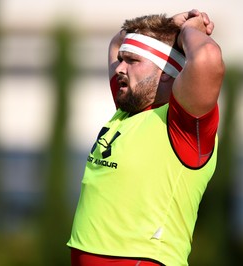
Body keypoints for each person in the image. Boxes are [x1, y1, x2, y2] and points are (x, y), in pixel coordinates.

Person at [67, 9, 225, 266]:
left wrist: (189, 30)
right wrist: (168, 26)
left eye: (132, 61)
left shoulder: (183, 127)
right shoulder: (127, 110)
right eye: (121, 60)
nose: (119, 68)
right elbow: (118, 42)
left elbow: (208, 57)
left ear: (165, 73)